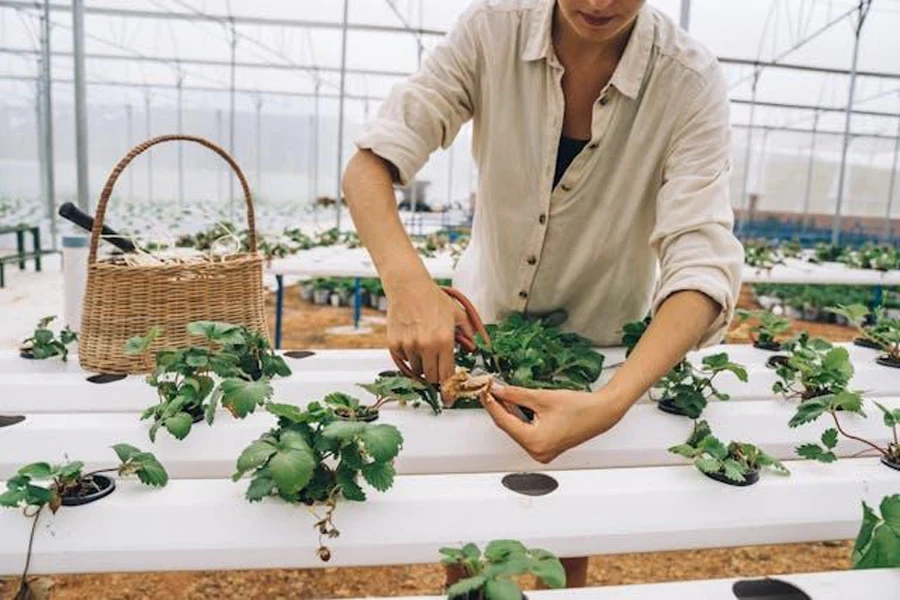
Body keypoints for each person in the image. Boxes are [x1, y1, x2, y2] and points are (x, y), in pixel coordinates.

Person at [342, 0, 743, 587]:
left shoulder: (688, 79)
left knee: (568, 518)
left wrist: (613, 400)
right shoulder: (492, 31)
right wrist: (410, 285)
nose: (599, 3)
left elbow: (702, 258)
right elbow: (369, 165)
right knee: (465, 501)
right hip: (482, 328)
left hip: (597, 357)